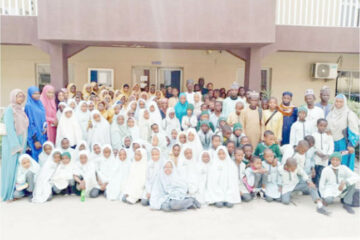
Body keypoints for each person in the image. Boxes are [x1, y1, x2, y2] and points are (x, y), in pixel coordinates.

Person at [1, 89, 29, 201]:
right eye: (18, 96)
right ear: (13, 97)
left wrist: (23, 144)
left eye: (22, 96)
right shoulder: (9, 110)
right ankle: (7, 194)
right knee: (10, 168)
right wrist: (15, 145)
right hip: (12, 144)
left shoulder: (21, 110)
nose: (21, 98)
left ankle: (16, 192)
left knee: (18, 169)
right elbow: (10, 129)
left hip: (21, 142)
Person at [327, 94, 359, 171]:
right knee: (331, 163)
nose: (338, 103)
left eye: (341, 102)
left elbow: (354, 130)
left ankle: (343, 182)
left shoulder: (349, 114)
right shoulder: (331, 113)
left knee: (343, 164)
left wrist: (351, 144)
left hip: (344, 143)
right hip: (331, 142)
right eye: (337, 101)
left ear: (344, 103)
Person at [25, 86, 47, 161]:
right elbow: (30, 124)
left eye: (38, 93)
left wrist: (45, 128)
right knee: (36, 157)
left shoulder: (40, 104)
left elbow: (43, 118)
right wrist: (35, 140)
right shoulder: (28, 106)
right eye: (34, 93)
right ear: (30, 95)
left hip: (43, 134)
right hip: (35, 136)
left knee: (43, 157)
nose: (37, 95)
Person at [312, 119, 334, 186]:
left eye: (324, 126)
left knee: (321, 174)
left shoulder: (329, 136)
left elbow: (331, 146)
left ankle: (319, 188)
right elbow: (312, 146)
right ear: (317, 125)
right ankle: (313, 187)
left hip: (325, 159)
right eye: (321, 125)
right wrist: (317, 152)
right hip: (316, 158)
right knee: (314, 174)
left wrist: (328, 155)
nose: (322, 127)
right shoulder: (313, 135)